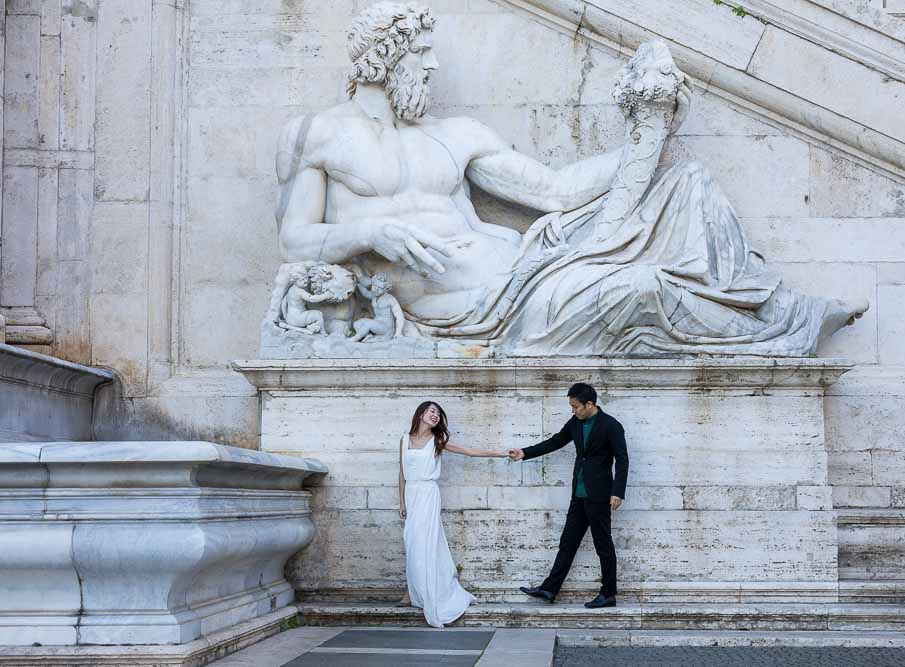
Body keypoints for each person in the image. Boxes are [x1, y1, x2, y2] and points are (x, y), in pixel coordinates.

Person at [273, 2, 867, 357]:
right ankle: (779, 329)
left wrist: (645, 137)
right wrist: (371, 233)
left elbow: (554, 191)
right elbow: (294, 241)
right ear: (389, 54)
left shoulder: (453, 134)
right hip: (477, 309)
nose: (432, 65)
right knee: (644, 288)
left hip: (533, 265)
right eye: (423, 52)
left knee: (685, 183)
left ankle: (778, 311)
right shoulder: (320, 135)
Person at [509, 383, 628, 608]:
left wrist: (617, 492)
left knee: (603, 544)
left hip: (600, 494)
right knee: (568, 542)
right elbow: (555, 441)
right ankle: (549, 589)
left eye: (575, 407)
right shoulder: (576, 422)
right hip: (578, 493)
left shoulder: (611, 425)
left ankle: (609, 593)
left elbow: (622, 459)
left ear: (589, 404)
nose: (573, 411)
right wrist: (525, 452)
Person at [398, 401, 507, 627]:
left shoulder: (437, 441)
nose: (436, 415)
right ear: (420, 414)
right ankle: (413, 591)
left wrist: (500, 453)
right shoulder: (403, 440)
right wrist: (401, 502)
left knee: (425, 544)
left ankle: (427, 593)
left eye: (438, 413)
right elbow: (401, 473)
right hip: (411, 494)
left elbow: (469, 451)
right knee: (411, 543)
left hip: (428, 494)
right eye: (432, 411)